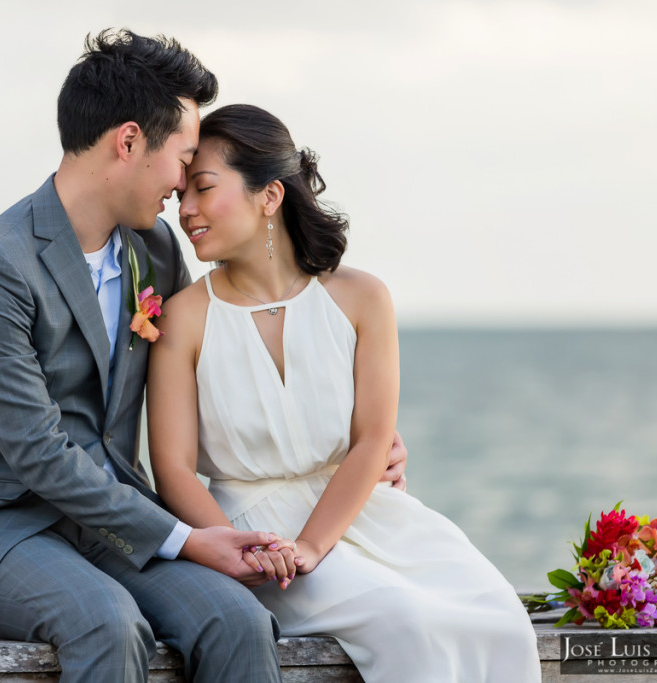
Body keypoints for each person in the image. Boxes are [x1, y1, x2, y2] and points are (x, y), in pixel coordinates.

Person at [0, 29, 407, 682]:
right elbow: (39, 450)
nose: (185, 181)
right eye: (183, 157)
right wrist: (187, 538)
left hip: (110, 529)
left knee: (238, 618)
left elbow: (214, 375)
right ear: (128, 141)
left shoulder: (153, 249)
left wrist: (357, 434)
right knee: (107, 621)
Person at [147, 104, 542, 682]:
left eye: (203, 189)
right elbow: (174, 470)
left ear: (270, 196)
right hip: (254, 533)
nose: (185, 209)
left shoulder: (362, 298)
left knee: (500, 614)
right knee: (404, 618)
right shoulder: (183, 318)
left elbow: (372, 441)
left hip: (363, 511)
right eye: (183, 193)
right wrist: (244, 549)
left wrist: (313, 543)